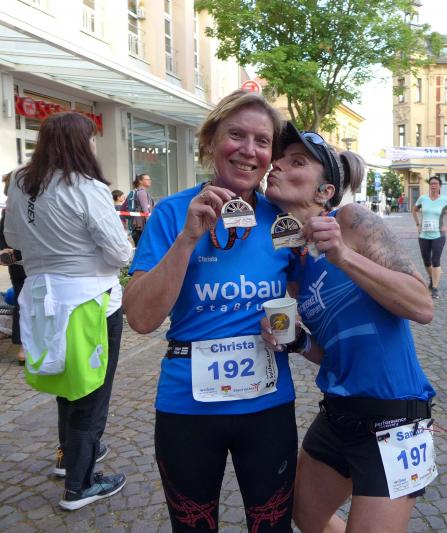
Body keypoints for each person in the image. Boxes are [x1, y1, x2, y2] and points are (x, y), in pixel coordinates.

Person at [122, 90, 297, 532]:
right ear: (210, 142)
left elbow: (307, 300)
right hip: (188, 406)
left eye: (262, 141)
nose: (249, 150)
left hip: (268, 404)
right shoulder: (172, 213)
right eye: (236, 135)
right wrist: (188, 238)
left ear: (271, 155)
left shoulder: (282, 220)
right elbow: (140, 318)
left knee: (271, 526)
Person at [264, 123, 436, 533]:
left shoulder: (350, 219)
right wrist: (297, 340)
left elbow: (422, 305)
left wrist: (342, 254)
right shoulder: (295, 266)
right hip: (338, 412)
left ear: (325, 191)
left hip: (394, 416)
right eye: (278, 160)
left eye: (296, 162)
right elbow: (330, 352)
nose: (277, 166)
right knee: (306, 517)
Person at [4, 112, 132, 510]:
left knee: (66, 384)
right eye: (91, 139)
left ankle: (68, 457)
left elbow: (12, 236)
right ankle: (80, 484)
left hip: (43, 299)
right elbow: (120, 252)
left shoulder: (21, 183)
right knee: (92, 392)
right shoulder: (86, 186)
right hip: (89, 301)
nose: (94, 145)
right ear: (81, 143)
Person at [412, 176, 447, 299]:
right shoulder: (423, 198)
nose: (433, 185)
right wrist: (418, 224)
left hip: (438, 235)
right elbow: (414, 210)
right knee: (426, 261)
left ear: (440, 186)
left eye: (436, 183)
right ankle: (432, 278)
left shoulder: (445, 200)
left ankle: (435, 288)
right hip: (423, 235)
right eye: (431, 183)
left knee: (435, 260)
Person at [0, 172, 26, 365]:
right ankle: (24, 345)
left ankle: (24, 346)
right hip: (21, 263)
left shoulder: (11, 207)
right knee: (23, 302)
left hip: (26, 262)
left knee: (23, 301)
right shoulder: (13, 208)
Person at [126, 173, 154, 245]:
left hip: (136, 226)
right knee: (143, 247)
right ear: (140, 181)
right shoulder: (142, 192)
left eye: (150, 179)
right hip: (142, 226)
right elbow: (145, 209)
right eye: (147, 179)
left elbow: (123, 207)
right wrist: (150, 224)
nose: (150, 181)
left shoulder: (134, 192)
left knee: (139, 247)